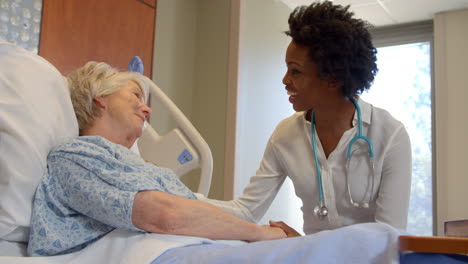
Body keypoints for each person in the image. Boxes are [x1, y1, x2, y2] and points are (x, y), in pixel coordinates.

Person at [27, 62, 286, 257]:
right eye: (135, 96)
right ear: (100, 98)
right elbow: (167, 215)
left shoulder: (137, 167)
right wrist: (259, 234)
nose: (147, 108)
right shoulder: (75, 158)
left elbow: (188, 211)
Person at [200, 2, 412, 237]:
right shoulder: (286, 135)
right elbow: (246, 210)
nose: (284, 80)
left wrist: (301, 244)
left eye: (295, 71)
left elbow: (388, 237)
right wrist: (179, 195)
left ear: (332, 78)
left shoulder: (390, 136)